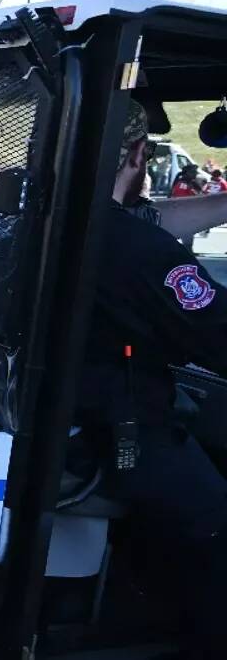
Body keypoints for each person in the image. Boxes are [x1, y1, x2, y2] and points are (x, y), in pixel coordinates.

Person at [75, 101, 227, 657]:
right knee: (217, 525)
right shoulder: (143, 254)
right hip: (125, 435)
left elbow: (142, 222)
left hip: (72, 417)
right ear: (138, 155)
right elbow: (218, 335)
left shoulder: (49, 215)